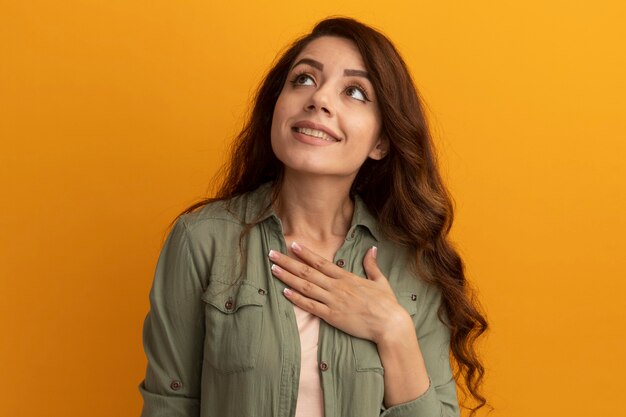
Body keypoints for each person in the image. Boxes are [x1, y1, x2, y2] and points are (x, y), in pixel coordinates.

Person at [139, 17, 488, 417]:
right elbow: (169, 407)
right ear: (277, 106)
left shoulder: (413, 266)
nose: (319, 99)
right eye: (304, 79)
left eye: (355, 91)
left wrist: (392, 329)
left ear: (381, 141)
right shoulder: (201, 241)